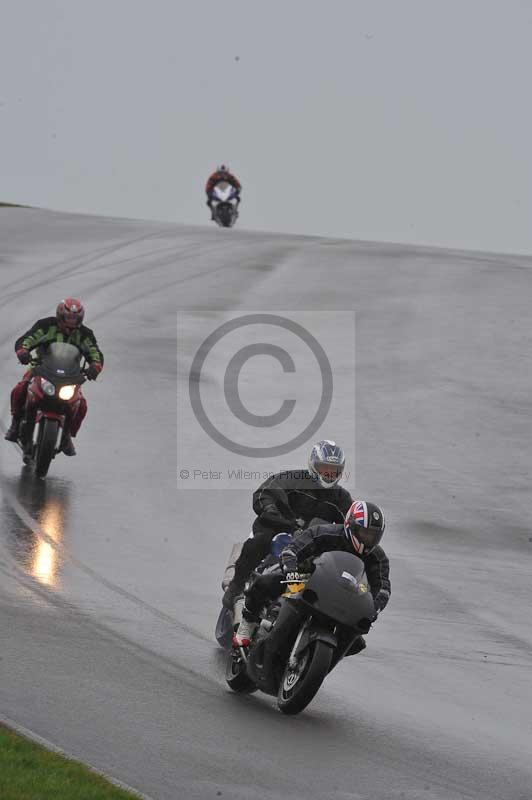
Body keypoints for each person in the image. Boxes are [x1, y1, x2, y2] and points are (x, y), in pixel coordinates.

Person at [234, 499, 390, 647]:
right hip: (305, 578)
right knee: (265, 583)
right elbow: (291, 550)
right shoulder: (325, 532)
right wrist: (291, 570)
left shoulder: (378, 557)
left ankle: (320, 660)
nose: (368, 539)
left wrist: (373, 607)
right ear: (351, 525)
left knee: (357, 643)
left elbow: (382, 587)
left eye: (373, 535)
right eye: (365, 533)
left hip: (345, 595)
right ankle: (246, 626)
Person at [222, 440, 353, 609]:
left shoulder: (341, 498)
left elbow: (352, 523)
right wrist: (271, 510)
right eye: (324, 468)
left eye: (334, 471)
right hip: (282, 532)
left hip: (313, 545)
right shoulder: (292, 479)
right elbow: (265, 491)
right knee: (261, 540)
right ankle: (236, 586)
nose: (328, 474)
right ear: (313, 465)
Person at [4, 298, 104, 456]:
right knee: (20, 388)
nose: (71, 322)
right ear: (60, 315)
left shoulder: (85, 334)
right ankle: (15, 424)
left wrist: (95, 367)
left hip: (70, 377)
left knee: (81, 404)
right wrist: (23, 352)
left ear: (80, 319)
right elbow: (27, 339)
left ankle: (67, 436)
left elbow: (95, 353)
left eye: (75, 319)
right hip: (40, 369)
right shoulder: (45, 325)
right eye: (68, 318)